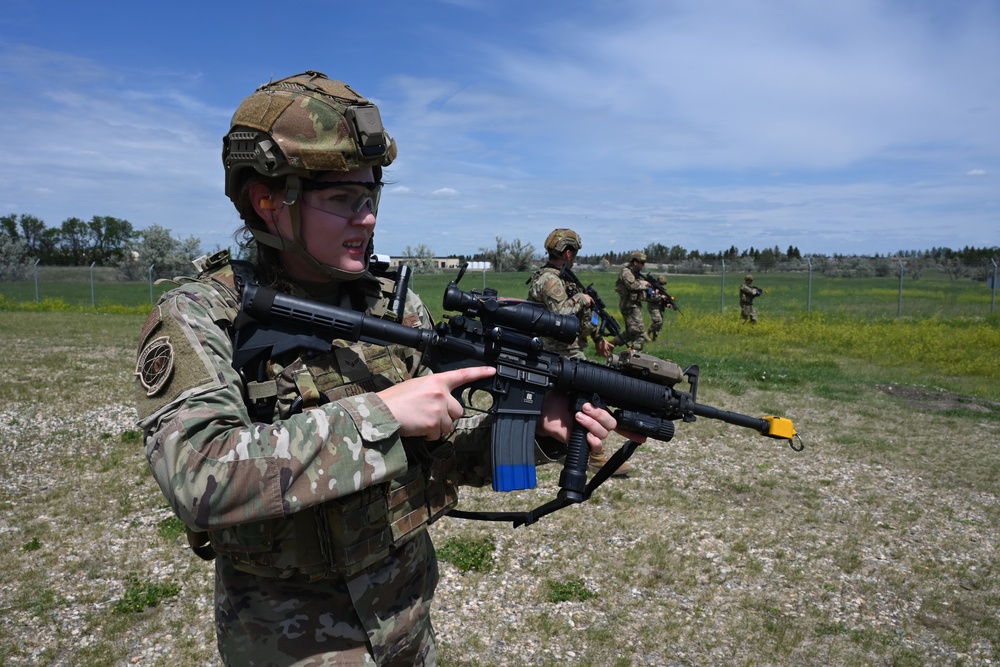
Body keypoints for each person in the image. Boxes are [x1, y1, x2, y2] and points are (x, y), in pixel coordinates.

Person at [132, 71, 639, 667]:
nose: (367, 218)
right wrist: (382, 413)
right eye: (343, 199)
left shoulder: (394, 305)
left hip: (407, 618)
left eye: (372, 195)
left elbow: (439, 459)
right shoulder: (201, 313)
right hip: (290, 641)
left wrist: (534, 436)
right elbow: (198, 478)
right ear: (267, 202)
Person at [526, 228, 630, 476]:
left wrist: (597, 337)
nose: (575, 258)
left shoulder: (564, 279)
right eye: (575, 253)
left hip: (567, 350)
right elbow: (561, 312)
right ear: (568, 252)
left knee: (565, 405)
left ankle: (574, 449)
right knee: (585, 401)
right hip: (557, 352)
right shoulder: (550, 280)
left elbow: (578, 319)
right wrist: (582, 299)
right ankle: (595, 455)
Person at [615, 250, 651, 349]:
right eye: (642, 263)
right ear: (635, 262)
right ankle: (635, 356)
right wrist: (644, 284)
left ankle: (611, 345)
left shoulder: (635, 273)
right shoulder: (626, 271)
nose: (643, 265)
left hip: (633, 305)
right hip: (629, 306)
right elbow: (632, 285)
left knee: (630, 332)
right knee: (638, 332)